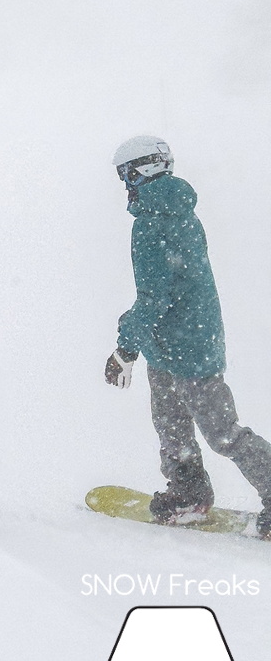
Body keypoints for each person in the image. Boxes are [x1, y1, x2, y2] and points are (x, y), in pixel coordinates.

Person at [105, 135, 271, 533]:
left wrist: (125, 348)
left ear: (140, 171)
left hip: (190, 349)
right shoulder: (175, 212)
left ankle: (199, 491)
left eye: (125, 175)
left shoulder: (154, 222)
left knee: (222, 433)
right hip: (174, 343)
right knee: (171, 425)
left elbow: (154, 296)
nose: (124, 184)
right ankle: (188, 493)